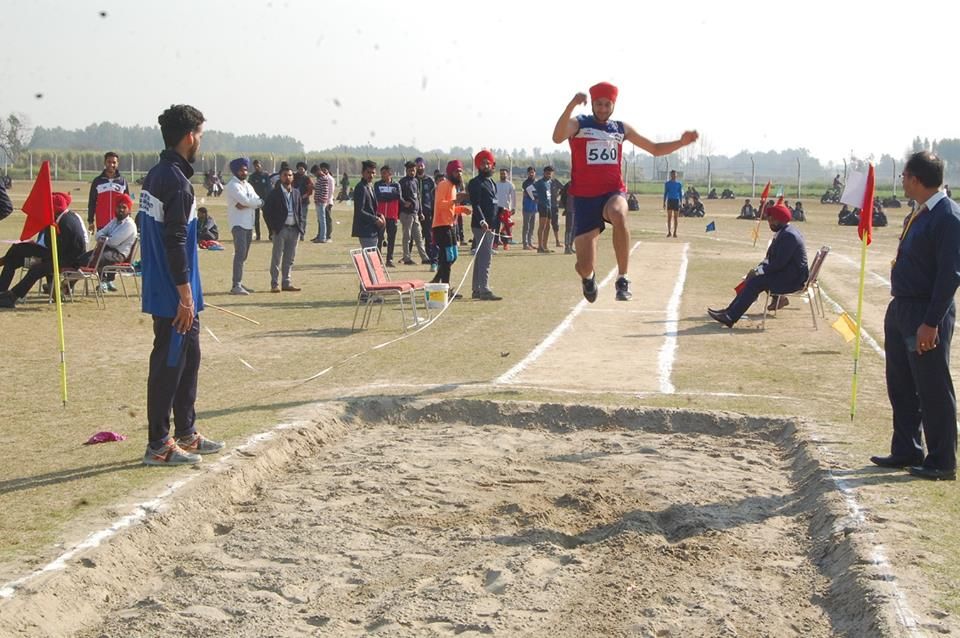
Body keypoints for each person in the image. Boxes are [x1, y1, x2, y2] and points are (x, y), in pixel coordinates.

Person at [553, 82, 697, 302]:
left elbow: (655, 149)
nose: (602, 109)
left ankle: (623, 278)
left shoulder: (621, 129)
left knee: (619, 213)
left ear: (613, 105)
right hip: (584, 199)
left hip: (612, 192)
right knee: (584, 266)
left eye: (607, 104)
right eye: (598, 104)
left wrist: (681, 142)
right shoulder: (579, 124)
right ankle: (588, 277)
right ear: (592, 103)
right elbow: (557, 136)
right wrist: (571, 104)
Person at [138, 104, 223, 465]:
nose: (201, 141)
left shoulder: (160, 174)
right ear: (189, 137)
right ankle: (159, 444)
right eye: (201, 135)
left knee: (189, 360)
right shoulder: (174, 180)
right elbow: (173, 241)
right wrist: (185, 297)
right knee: (169, 366)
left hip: (179, 291)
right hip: (174, 295)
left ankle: (186, 433)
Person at [870, 152, 960, 480]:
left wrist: (931, 322)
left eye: (905, 176)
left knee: (932, 385)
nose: (902, 181)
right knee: (901, 382)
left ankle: (942, 460)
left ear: (917, 179)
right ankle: (907, 447)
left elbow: (950, 275)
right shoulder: (921, 212)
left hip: (925, 311)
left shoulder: (947, 216)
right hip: (902, 307)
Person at [707, 203, 808, 327]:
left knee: (756, 282)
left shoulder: (789, 236)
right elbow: (771, 259)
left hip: (793, 280)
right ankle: (729, 312)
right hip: (786, 275)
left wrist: (758, 272)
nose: (769, 222)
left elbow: (779, 263)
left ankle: (730, 317)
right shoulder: (784, 232)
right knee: (755, 279)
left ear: (780, 220)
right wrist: (757, 269)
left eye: (771, 220)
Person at [0, 193, 86, 307]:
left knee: (36, 270)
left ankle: (12, 297)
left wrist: (42, 258)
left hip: (68, 260)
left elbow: (72, 249)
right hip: (56, 253)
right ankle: (2, 291)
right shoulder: (63, 218)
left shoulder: (67, 222)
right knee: (15, 256)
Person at [78, 193, 137, 291]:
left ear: (129, 209)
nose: (121, 210)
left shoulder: (129, 225)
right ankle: (69, 284)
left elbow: (113, 242)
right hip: (106, 250)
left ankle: (103, 281)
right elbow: (98, 234)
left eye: (124, 207)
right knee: (82, 258)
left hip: (118, 254)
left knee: (92, 259)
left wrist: (105, 238)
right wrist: (105, 238)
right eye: (119, 207)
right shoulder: (114, 221)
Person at [225, 157, 264, 295]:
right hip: (238, 223)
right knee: (240, 253)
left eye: (246, 169)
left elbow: (258, 200)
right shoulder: (232, 185)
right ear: (236, 171)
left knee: (244, 255)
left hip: (249, 224)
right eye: (242, 170)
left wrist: (249, 204)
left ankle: (239, 282)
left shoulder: (248, 185)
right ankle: (236, 285)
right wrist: (251, 203)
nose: (244, 172)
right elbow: (246, 200)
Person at [263, 165, 305, 293]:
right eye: (285, 175)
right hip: (280, 230)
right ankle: (274, 284)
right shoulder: (274, 194)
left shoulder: (296, 192)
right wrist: (273, 229)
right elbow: (266, 212)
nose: (288, 177)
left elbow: (299, 211)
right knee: (277, 257)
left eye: (290, 175)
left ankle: (286, 282)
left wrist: (300, 227)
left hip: (294, 229)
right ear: (280, 177)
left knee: (290, 258)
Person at [467, 150, 502, 301]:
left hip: (491, 224)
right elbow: (476, 204)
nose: (486, 166)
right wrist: (482, 220)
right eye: (483, 163)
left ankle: (477, 289)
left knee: (481, 257)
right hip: (481, 225)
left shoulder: (491, 182)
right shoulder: (476, 183)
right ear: (478, 166)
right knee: (486, 257)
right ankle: (484, 289)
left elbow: (493, 203)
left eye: (488, 163)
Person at [431, 160, 471, 289]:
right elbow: (440, 204)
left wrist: (462, 209)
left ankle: (437, 279)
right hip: (441, 226)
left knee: (453, 256)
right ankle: (445, 288)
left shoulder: (453, 187)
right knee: (447, 258)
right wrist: (455, 200)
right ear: (450, 172)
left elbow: (451, 208)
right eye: (456, 171)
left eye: (460, 171)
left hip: (450, 225)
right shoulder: (444, 184)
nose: (459, 174)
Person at [87, 151, 130, 232]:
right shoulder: (97, 181)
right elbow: (92, 202)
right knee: (103, 245)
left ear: (117, 163)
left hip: (119, 224)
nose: (111, 165)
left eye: (114, 162)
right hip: (102, 224)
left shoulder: (123, 182)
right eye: (109, 162)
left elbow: (127, 203)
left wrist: (128, 220)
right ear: (104, 163)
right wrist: (90, 221)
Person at [398, 161, 429, 265]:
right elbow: (399, 196)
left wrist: (420, 212)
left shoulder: (415, 181)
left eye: (414, 170)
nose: (412, 172)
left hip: (415, 214)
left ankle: (424, 258)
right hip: (406, 214)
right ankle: (406, 258)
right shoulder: (402, 182)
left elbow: (418, 197)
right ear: (406, 171)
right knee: (407, 237)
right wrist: (403, 203)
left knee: (419, 237)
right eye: (410, 170)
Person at [352, 160, 384, 251]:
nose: (371, 175)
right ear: (363, 173)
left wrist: (380, 215)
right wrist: (376, 219)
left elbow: (372, 208)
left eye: (373, 173)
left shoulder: (370, 186)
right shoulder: (360, 187)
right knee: (370, 258)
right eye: (368, 172)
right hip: (365, 229)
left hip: (373, 229)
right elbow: (360, 211)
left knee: (372, 257)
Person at [374, 165, 401, 267]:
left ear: (390, 174)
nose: (382, 175)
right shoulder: (377, 184)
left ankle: (389, 259)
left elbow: (398, 196)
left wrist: (385, 196)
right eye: (381, 173)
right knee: (379, 238)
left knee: (391, 238)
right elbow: (378, 196)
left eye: (384, 173)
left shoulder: (396, 185)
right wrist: (390, 196)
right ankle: (378, 259)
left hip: (392, 216)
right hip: (380, 215)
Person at [415, 157, 438, 270]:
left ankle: (429, 256)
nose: (420, 167)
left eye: (422, 165)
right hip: (415, 212)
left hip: (428, 211)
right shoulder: (413, 180)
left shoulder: (429, 181)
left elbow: (434, 196)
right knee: (412, 235)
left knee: (428, 235)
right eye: (418, 165)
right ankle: (407, 257)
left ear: (424, 166)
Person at [248, 159, 271, 241]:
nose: (257, 167)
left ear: (261, 165)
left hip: (265, 200)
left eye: (258, 165)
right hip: (255, 200)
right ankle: (258, 235)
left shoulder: (265, 175)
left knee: (267, 217)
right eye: (255, 166)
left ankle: (271, 234)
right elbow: (249, 188)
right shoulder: (252, 176)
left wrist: (268, 198)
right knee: (256, 219)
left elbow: (269, 188)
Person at [533, 166, 555, 252]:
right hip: (543, 206)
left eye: (550, 174)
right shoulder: (539, 182)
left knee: (548, 226)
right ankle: (540, 246)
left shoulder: (549, 182)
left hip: (549, 206)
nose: (549, 175)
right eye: (547, 173)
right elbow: (529, 189)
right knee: (542, 226)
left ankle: (545, 246)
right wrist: (535, 198)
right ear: (544, 173)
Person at [312, 162, 334, 242]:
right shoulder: (321, 178)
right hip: (320, 201)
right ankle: (321, 236)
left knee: (323, 220)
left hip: (322, 202)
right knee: (321, 220)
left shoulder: (324, 178)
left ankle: (323, 237)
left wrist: (320, 200)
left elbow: (325, 191)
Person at [495, 167, 517, 249]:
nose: (502, 175)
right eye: (501, 173)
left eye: (504, 173)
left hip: (506, 209)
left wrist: (513, 208)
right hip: (497, 208)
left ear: (507, 174)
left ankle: (506, 243)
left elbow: (514, 197)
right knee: (496, 226)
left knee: (506, 227)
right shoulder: (496, 184)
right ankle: (496, 242)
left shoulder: (510, 185)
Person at [292, 162, 314, 234]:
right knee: (294, 218)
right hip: (294, 201)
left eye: (302, 169)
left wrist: (302, 197)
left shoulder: (307, 179)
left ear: (305, 170)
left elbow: (310, 191)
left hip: (304, 202)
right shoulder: (294, 177)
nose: (300, 170)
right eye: (299, 169)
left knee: (303, 218)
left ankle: (302, 233)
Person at [521, 166, 537, 250]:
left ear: (535, 173)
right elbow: (531, 195)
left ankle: (530, 242)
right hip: (527, 207)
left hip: (534, 208)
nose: (531, 174)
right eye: (530, 172)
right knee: (526, 227)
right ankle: (525, 244)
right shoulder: (525, 183)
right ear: (528, 173)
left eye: (533, 172)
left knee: (532, 226)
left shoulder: (537, 183)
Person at [663, 170, 683, 236]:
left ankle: (675, 232)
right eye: (672, 174)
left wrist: (681, 202)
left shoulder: (679, 184)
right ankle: (669, 231)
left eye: (674, 174)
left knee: (676, 218)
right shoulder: (667, 184)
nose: (673, 176)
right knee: (669, 217)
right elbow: (665, 193)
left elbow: (680, 194)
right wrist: (664, 202)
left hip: (676, 201)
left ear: (676, 175)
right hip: (670, 200)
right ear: (670, 175)